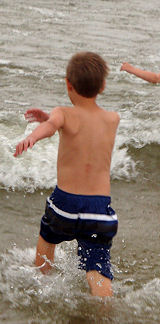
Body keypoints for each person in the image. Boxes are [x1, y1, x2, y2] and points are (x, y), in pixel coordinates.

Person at [14, 52, 120, 297]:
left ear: (68, 84)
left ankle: (39, 284)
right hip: (99, 210)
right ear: (103, 86)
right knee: (97, 268)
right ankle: (105, 308)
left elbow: (51, 127)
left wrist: (34, 134)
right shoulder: (112, 119)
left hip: (66, 204)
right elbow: (67, 125)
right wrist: (52, 121)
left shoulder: (63, 113)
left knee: (48, 236)